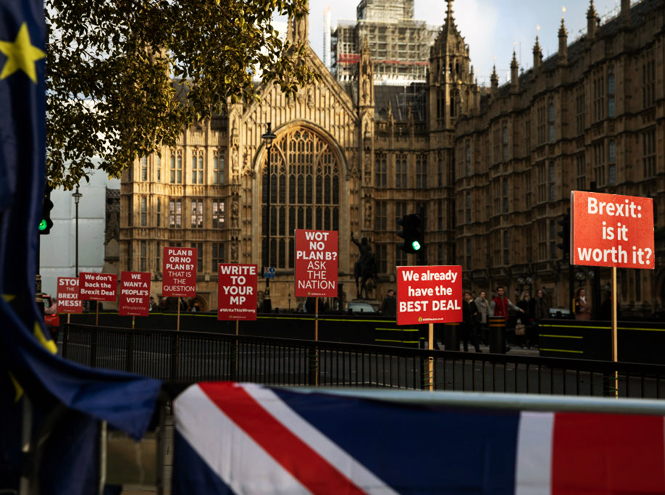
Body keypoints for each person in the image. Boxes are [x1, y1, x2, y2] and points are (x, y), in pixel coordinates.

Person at [491, 286, 523, 350]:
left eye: (502, 291)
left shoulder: (506, 300)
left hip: (505, 319)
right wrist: (491, 319)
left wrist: (519, 309)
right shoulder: (494, 301)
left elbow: (512, 306)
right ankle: (505, 345)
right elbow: (491, 311)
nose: (501, 292)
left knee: (502, 333)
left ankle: (503, 345)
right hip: (498, 319)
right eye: (499, 291)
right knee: (501, 333)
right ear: (497, 292)